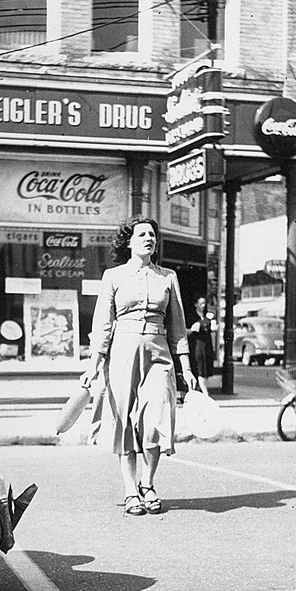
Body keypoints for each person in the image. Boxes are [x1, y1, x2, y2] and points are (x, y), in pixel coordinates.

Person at [80, 216, 197, 517]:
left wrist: (185, 367)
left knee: (157, 416)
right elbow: (103, 325)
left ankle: (148, 482)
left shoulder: (168, 277)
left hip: (159, 355)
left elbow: (178, 327)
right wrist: (93, 365)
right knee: (123, 421)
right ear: (129, 241)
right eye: (142, 234)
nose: (149, 239)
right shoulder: (113, 277)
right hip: (121, 354)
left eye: (152, 235)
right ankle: (131, 490)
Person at [187, 296, 215, 396]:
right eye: (201, 303)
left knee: (206, 369)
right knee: (200, 369)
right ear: (196, 304)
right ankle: (205, 393)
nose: (203, 306)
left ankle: (199, 391)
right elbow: (184, 331)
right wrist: (192, 329)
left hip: (207, 345)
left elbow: (211, 329)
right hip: (197, 346)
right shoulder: (191, 316)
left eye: (204, 303)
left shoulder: (207, 316)